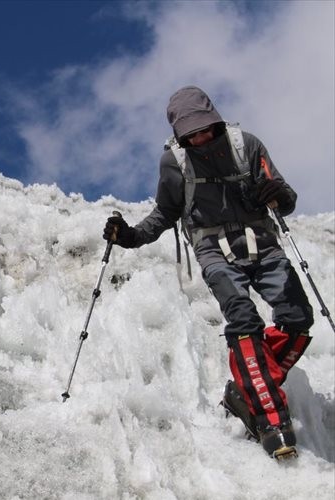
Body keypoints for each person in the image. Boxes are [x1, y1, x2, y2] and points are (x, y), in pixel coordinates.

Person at [102, 85, 314, 459]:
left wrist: (277, 194)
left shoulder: (246, 145)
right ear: (179, 133)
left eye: (203, 128)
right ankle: (272, 420)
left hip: (262, 241)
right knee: (242, 318)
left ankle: (246, 392)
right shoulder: (174, 163)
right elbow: (165, 214)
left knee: (298, 318)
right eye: (190, 133)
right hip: (212, 248)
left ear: (214, 119)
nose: (198, 137)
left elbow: (285, 198)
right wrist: (130, 237)